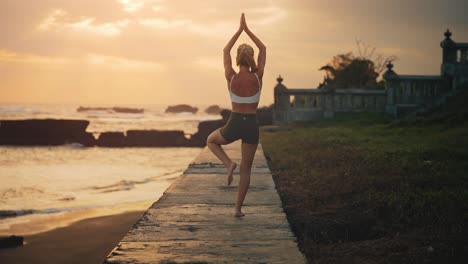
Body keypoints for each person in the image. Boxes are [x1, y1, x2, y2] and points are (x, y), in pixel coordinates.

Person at [206, 13, 266, 217]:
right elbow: (264, 49)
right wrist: (248, 30)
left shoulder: (230, 76)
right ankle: (238, 209)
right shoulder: (258, 76)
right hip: (251, 124)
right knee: (246, 170)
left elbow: (225, 50)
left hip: (234, 121)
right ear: (251, 58)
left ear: (238, 58)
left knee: (211, 141)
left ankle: (228, 163)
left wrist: (239, 30)